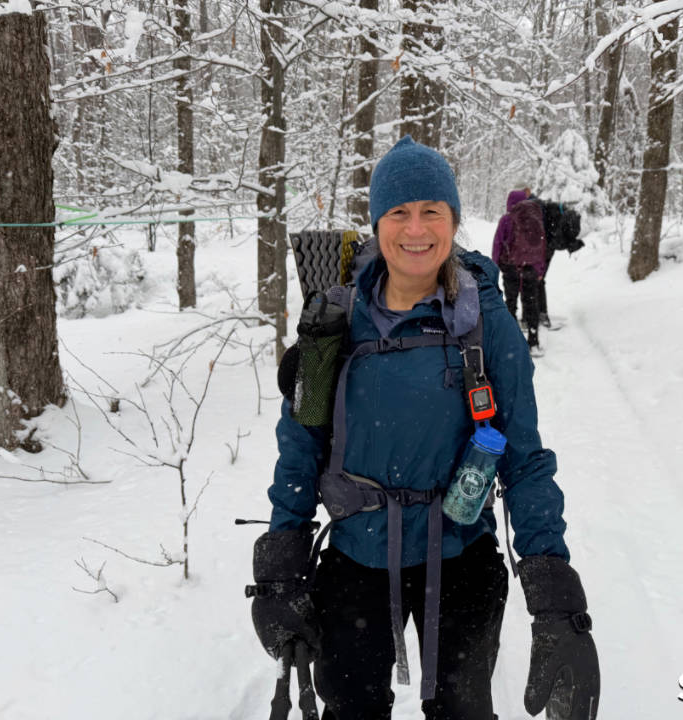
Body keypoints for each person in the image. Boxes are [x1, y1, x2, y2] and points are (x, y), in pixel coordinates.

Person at [249, 135, 599, 720]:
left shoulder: (488, 322)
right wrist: (281, 562)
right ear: (377, 220)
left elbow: (525, 460)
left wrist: (555, 594)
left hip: (461, 560)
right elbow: (301, 444)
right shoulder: (331, 321)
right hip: (356, 560)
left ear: (454, 220)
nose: (416, 229)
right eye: (399, 212)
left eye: (432, 211)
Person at [492, 188, 547, 353]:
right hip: (531, 269)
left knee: (510, 303)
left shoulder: (506, 220)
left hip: (511, 269)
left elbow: (497, 245)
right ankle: (533, 341)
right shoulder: (536, 220)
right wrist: (540, 270)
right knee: (531, 304)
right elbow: (541, 246)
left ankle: (512, 342)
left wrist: (494, 267)